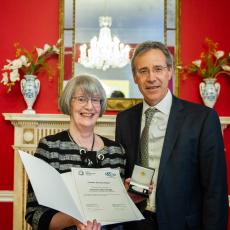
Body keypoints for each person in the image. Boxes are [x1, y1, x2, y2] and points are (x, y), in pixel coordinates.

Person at [115, 41, 228, 230]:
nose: (151, 78)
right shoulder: (125, 119)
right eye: (143, 71)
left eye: (158, 69)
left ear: (169, 72)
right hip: (135, 223)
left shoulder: (202, 119)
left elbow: (215, 189)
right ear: (135, 77)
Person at [25, 74, 126, 230]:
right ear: (69, 103)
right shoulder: (50, 147)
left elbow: (121, 214)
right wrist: (74, 220)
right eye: (81, 99)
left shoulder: (115, 151)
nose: (89, 106)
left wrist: (128, 196)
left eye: (95, 100)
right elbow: (34, 213)